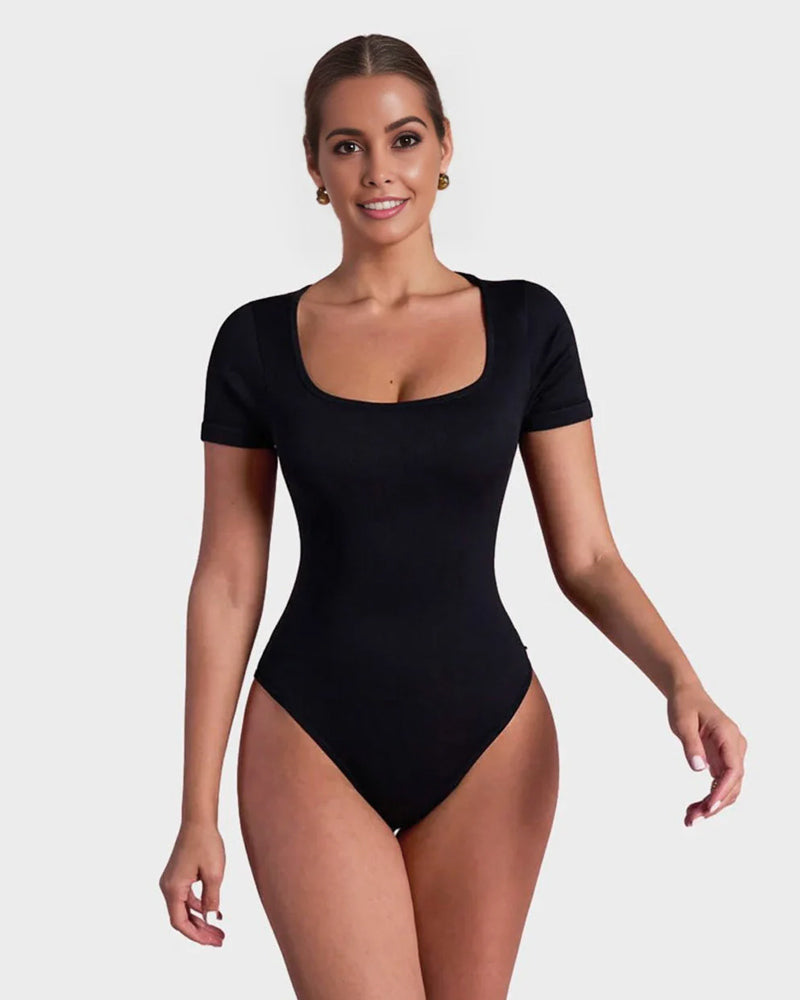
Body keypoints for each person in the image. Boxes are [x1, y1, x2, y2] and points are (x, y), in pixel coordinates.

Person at [159, 32, 747, 1000]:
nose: (377, 170)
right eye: (346, 145)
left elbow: (588, 556)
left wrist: (682, 681)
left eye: (402, 138)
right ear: (312, 165)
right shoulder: (255, 341)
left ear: (442, 146)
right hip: (309, 732)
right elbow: (226, 581)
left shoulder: (526, 324)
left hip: (492, 737)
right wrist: (195, 810)